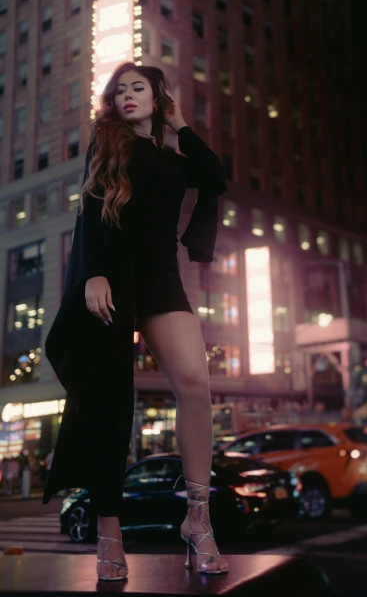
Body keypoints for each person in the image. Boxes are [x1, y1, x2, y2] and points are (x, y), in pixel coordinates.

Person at [43, 62, 229, 581]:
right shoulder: (109, 144)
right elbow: (92, 211)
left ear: (158, 98)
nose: (126, 95)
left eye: (138, 87)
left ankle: (198, 518)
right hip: (112, 280)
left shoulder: (172, 156)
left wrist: (181, 126)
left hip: (160, 279)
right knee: (110, 405)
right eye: (119, 89)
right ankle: (108, 534)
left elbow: (215, 177)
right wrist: (92, 275)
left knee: (195, 384)